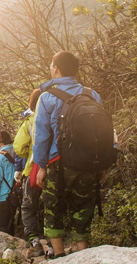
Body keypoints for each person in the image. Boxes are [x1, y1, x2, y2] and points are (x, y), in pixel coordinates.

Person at [33, 51, 104, 259]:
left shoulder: (47, 97)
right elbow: (101, 133)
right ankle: (83, 255)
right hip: (89, 163)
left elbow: (42, 136)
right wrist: (102, 165)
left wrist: (42, 166)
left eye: (50, 64)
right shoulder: (92, 95)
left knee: (53, 208)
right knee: (83, 207)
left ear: (56, 68)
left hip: (59, 164)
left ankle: (59, 255)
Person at [13, 89, 53, 257]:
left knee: (29, 207)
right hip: (55, 169)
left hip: (33, 169)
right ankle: (53, 246)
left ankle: (35, 243)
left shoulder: (30, 121)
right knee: (52, 207)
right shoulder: (56, 118)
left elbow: (19, 147)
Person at [0, 131, 17, 235]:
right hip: (16, 195)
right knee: (11, 222)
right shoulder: (18, 152)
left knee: (3, 226)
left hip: (2, 197)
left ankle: (7, 249)